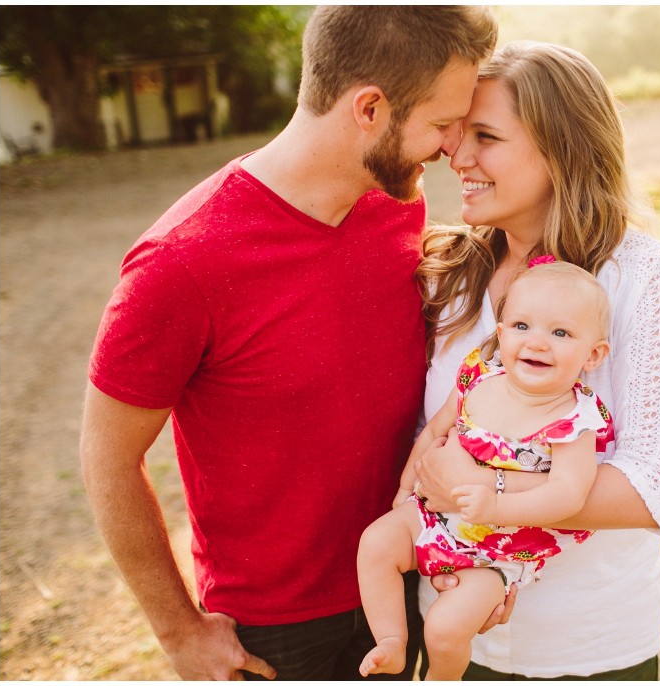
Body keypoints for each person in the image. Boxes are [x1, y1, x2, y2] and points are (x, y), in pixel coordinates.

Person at [79, 6, 496, 681]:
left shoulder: (398, 203)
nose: (453, 147)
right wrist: (180, 633)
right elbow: (107, 460)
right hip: (276, 635)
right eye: (443, 124)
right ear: (369, 108)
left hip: (402, 579)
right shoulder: (179, 263)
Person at [412, 41, 660, 680]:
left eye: (485, 137)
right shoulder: (447, 276)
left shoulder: (649, 279)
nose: (457, 157)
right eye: (459, 135)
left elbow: (648, 490)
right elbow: (423, 433)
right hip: (448, 628)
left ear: (561, 148)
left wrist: (470, 485)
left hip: (586, 644)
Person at [357, 259, 614, 680]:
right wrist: (407, 485)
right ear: (501, 332)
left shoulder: (574, 421)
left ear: (593, 354)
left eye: (561, 333)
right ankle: (391, 640)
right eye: (521, 326)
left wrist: (495, 507)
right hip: (435, 515)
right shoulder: (479, 378)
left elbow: (569, 494)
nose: (537, 343)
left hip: (498, 552)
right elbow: (435, 431)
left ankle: (441, 678)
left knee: (445, 628)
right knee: (375, 543)